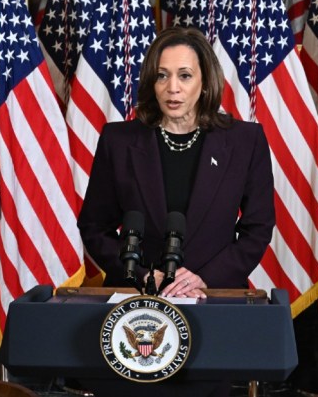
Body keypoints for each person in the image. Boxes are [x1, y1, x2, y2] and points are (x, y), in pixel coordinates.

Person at [78, 27, 276, 301]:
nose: (173, 88)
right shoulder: (118, 141)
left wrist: (206, 277)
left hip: (214, 296)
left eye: (185, 75)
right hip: (137, 298)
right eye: (162, 76)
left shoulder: (245, 141)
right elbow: (94, 227)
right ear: (151, 82)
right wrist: (142, 275)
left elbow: (258, 227)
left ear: (205, 81)